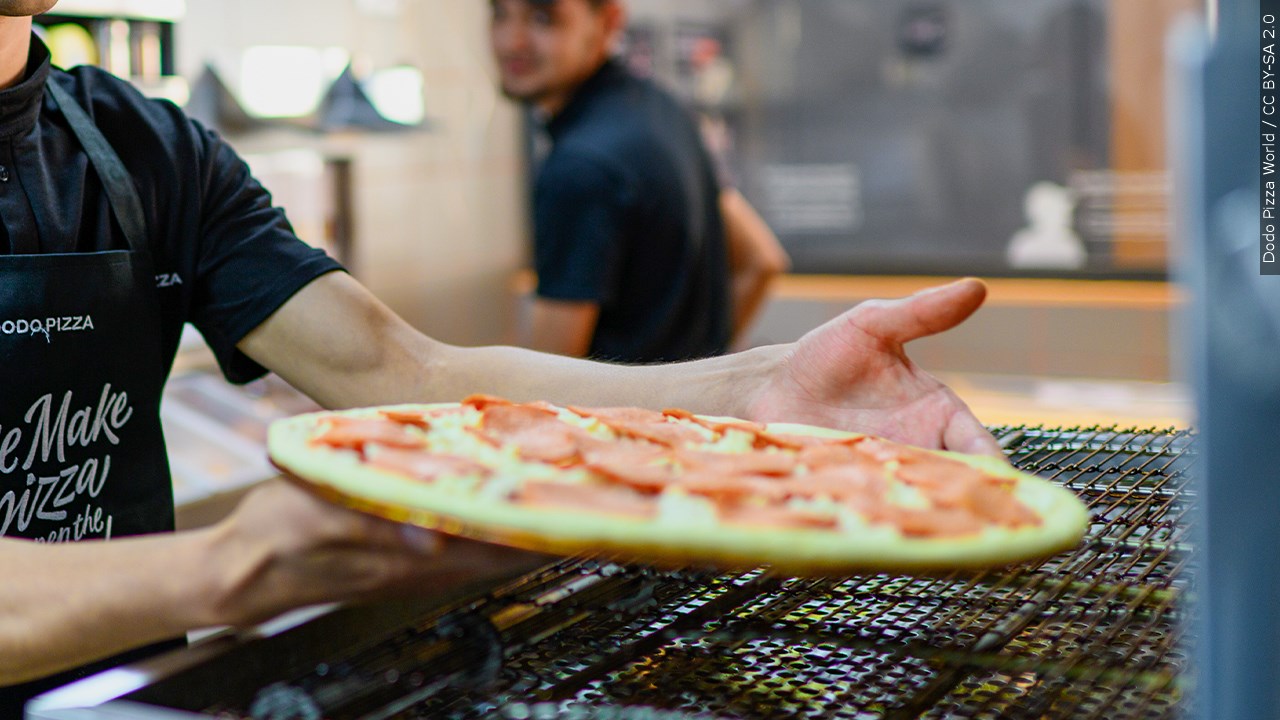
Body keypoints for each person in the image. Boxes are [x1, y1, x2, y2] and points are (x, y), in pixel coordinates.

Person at [0, 0, 998, 710]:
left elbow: (406, 374)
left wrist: (756, 393)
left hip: (121, 692)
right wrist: (226, 568)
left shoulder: (146, 150)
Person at [491, 0, 789, 362]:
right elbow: (762, 260)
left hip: (614, 419)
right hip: (685, 415)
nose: (511, 41)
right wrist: (698, 373)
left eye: (543, 17)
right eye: (499, 13)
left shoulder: (580, 167)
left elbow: (546, 382)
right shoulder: (666, 110)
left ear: (609, 20)